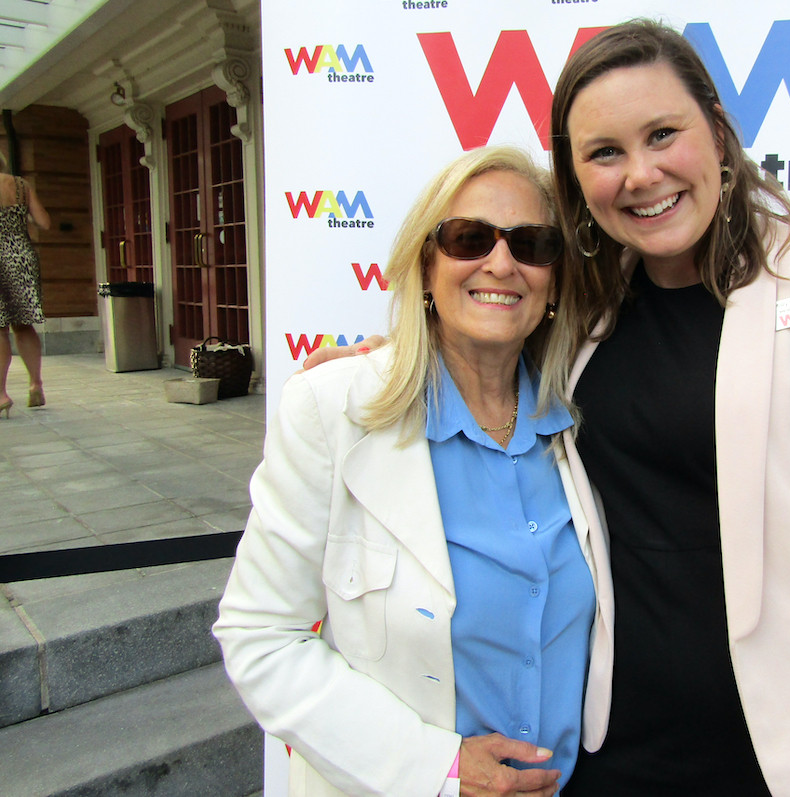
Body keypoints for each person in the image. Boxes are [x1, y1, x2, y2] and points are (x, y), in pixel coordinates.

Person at [309, 20, 790, 797]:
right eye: (604, 153)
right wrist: (382, 363)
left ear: (717, 134)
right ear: (577, 180)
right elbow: (479, 333)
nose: (641, 173)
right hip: (615, 748)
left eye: (663, 134)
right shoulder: (585, 306)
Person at [214, 146, 612, 797]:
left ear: (554, 279)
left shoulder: (581, 417)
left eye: (532, 244)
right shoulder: (335, 409)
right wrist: (437, 769)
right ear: (424, 266)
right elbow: (260, 636)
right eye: (468, 238)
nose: (500, 262)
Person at [0, 152, 52, 417]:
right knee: (23, 324)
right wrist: (23, 218)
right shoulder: (21, 186)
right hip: (21, 257)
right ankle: (35, 384)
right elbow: (44, 222)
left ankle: (1, 394)